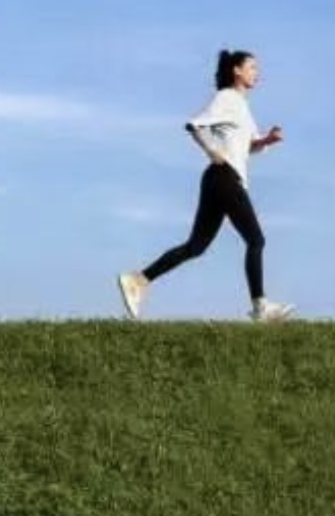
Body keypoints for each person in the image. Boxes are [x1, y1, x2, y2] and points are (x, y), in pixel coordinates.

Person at [118, 48, 295, 323]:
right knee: (256, 240)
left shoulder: (242, 106)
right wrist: (211, 151)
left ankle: (138, 280)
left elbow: (247, 145)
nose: (256, 73)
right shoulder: (227, 97)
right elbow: (195, 125)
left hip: (219, 179)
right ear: (236, 70)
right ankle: (260, 307)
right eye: (251, 67)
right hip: (224, 176)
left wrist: (267, 140)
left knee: (196, 246)